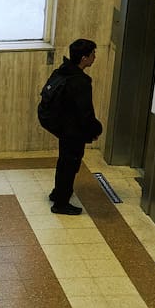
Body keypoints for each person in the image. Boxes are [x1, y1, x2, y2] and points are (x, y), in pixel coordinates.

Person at [48, 38, 103, 216]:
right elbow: (85, 112)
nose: (95, 57)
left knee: (64, 161)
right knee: (70, 164)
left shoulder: (62, 71)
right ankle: (61, 203)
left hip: (61, 126)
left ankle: (58, 193)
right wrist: (95, 130)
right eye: (93, 54)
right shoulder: (80, 82)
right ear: (84, 58)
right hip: (72, 130)